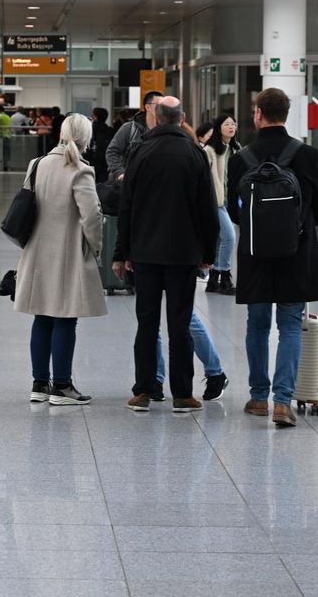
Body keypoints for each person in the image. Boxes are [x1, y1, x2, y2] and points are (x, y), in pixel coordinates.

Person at [227, 88, 318, 427]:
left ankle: (258, 396)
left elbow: (233, 211)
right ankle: (282, 402)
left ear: (258, 114)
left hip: (255, 253)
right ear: (286, 115)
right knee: (289, 326)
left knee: (257, 325)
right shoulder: (305, 154)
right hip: (296, 252)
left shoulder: (241, 158)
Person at [116, 96, 219, 413]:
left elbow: (127, 207)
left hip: (145, 253)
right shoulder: (195, 154)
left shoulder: (139, 152)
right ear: (181, 118)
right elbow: (207, 208)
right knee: (180, 323)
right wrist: (208, 251)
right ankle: (183, 394)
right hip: (183, 253)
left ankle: (144, 389)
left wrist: (122, 253)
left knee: (146, 323)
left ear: (157, 118)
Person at [16, 114, 106, 405]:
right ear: (85, 139)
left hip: (37, 251)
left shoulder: (37, 164)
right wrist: (96, 248)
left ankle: (39, 383)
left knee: (42, 316)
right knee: (66, 317)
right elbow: (91, 215)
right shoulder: (81, 169)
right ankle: (63, 386)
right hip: (68, 252)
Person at [204, 114, 242, 295]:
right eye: (227, 124)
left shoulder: (236, 149)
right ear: (218, 128)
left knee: (221, 240)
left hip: (230, 200)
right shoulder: (209, 150)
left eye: (233, 124)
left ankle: (213, 280)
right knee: (229, 237)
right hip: (215, 201)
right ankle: (224, 276)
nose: (231, 127)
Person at [105, 90, 163, 181]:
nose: (162, 108)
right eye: (158, 105)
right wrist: (120, 173)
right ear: (147, 107)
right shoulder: (130, 128)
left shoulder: (165, 130)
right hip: (130, 182)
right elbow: (112, 151)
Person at [89, 108, 114, 184]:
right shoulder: (109, 130)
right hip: (105, 161)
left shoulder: (90, 129)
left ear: (95, 117)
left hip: (91, 160)